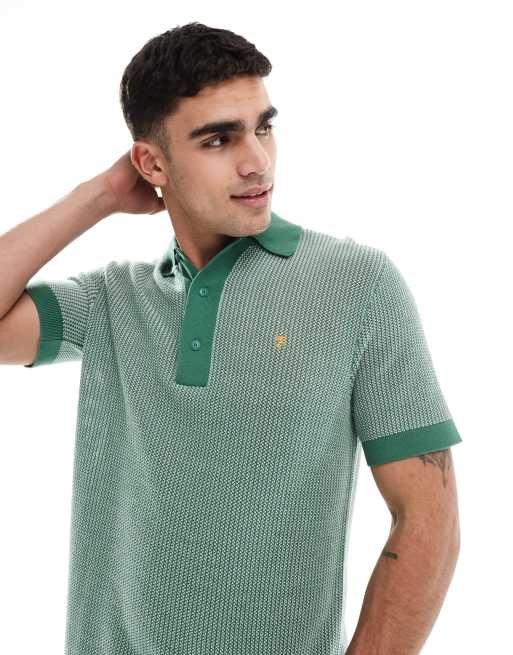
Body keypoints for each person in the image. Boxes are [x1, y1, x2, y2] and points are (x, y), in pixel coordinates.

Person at [0, 21, 462, 655]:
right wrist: (98, 196)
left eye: (263, 127)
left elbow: (429, 522)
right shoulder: (109, 303)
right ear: (151, 163)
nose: (256, 162)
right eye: (218, 139)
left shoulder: (358, 285)